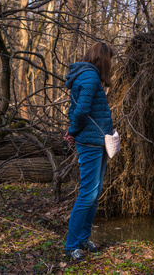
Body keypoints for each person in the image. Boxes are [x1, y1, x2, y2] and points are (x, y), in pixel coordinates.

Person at [63, 42, 114, 262]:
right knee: (87, 194)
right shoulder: (90, 77)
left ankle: (83, 239)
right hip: (91, 142)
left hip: (98, 141)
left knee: (94, 193)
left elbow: (75, 108)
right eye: (110, 58)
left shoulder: (87, 75)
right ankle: (72, 245)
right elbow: (81, 110)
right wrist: (73, 131)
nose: (111, 63)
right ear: (101, 58)